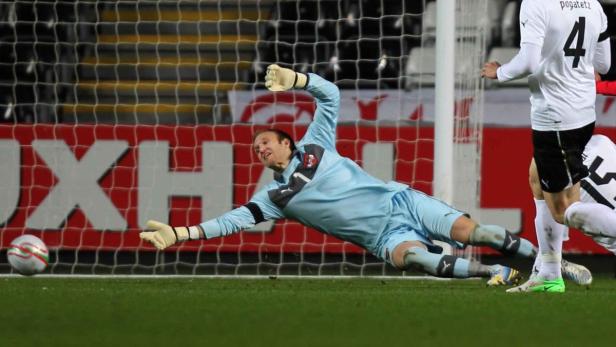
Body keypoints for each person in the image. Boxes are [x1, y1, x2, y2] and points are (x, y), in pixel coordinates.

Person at [141, 64, 537, 285]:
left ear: (286, 142)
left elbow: (330, 95)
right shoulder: (273, 199)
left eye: (266, 141)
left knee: (479, 234)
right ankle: (496, 272)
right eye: (256, 148)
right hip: (385, 238)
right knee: (417, 260)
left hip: (404, 202)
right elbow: (232, 221)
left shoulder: (316, 144)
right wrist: (181, 234)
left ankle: (547, 264)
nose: (260, 148)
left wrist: (298, 81)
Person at [482, 0, 612, 292]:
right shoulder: (593, 4)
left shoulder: (535, 3)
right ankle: (550, 273)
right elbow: (603, 65)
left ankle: (551, 273)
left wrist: (499, 72)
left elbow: (528, 62)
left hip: (555, 118)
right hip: (583, 113)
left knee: (563, 209)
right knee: (537, 179)